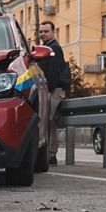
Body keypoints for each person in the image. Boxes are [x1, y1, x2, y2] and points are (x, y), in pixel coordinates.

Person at [36, 21, 71, 164]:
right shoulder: (46, 48)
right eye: (41, 32)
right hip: (48, 90)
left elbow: (54, 71)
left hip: (53, 90)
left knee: (49, 123)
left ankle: (51, 154)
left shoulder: (54, 48)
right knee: (46, 123)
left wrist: (48, 91)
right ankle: (47, 154)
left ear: (53, 32)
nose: (43, 34)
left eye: (46, 31)